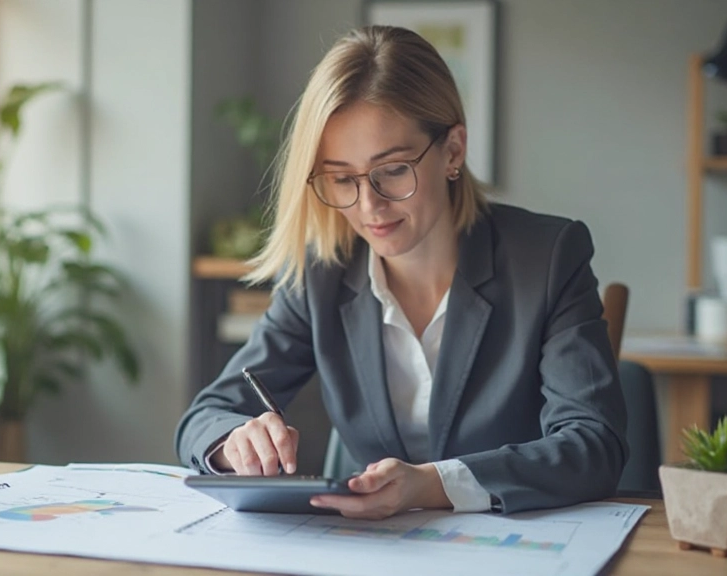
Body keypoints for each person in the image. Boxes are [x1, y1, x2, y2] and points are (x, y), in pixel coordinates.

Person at [175, 25, 627, 519]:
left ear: (453, 151)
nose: (369, 206)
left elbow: (594, 444)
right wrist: (234, 441)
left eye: (392, 170)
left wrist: (432, 485)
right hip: (366, 554)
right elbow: (205, 416)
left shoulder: (546, 257)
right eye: (342, 178)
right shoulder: (321, 274)